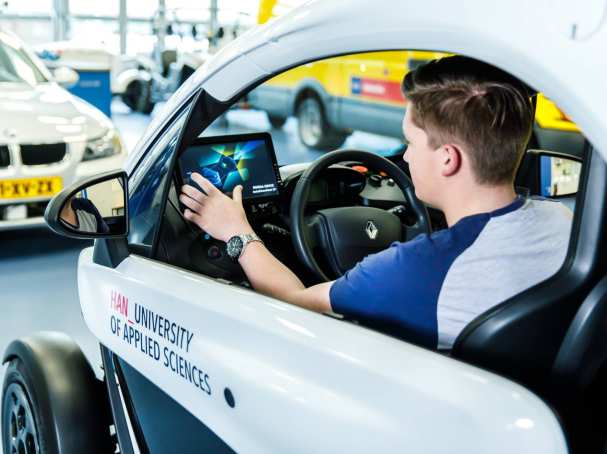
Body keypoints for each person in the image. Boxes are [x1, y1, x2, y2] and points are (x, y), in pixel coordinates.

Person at [179, 56, 572, 349]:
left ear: (448, 159)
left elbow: (293, 303)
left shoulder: (416, 270)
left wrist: (237, 231)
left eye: (412, 143)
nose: (403, 158)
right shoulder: (564, 223)